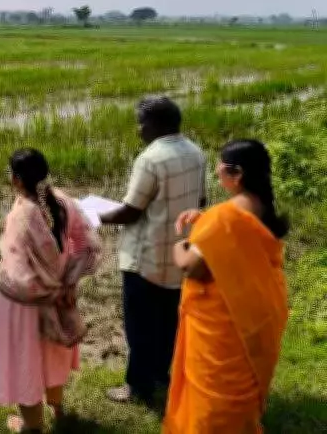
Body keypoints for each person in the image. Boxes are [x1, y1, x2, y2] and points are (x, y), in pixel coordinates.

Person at [164, 139, 289, 434]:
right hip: (254, 315)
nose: (217, 171)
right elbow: (237, 246)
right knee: (240, 390)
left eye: (221, 167)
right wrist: (205, 222)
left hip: (221, 323)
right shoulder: (260, 206)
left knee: (212, 395)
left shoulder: (224, 216)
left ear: (238, 174)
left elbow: (191, 267)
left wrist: (181, 244)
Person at [99, 96, 206, 405]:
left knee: (140, 326)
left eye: (141, 122)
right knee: (168, 321)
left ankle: (137, 386)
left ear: (156, 124)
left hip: (146, 257)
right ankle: (161, 374)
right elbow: (199, 202)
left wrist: (93, 215)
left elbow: (131, 212)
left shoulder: (151, 158)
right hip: (179, 254)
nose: (138, 128)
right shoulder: (196, 152)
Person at [0, 149, 101, 434]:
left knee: (26, 359)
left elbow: (18, 275)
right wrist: (69, 282)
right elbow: (88, 244)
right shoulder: (62, 200)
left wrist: (46, 290)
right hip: (60, 296)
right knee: (51, 353)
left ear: (16, 180)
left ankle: (31, 425)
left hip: (27, 304)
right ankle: (57, 409)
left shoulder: (22, 215)